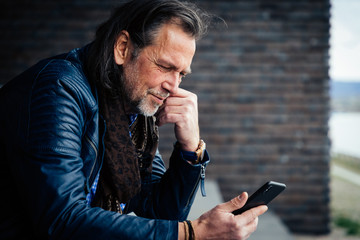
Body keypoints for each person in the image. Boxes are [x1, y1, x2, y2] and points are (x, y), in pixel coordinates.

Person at [0, 0, 267, 239]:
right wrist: (191, 233)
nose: (173, 86)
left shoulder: (133, 110)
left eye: (182, 74)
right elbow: (61, 219)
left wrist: (191, 150)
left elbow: (161, 210)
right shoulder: (59, 88)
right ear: (123, 48)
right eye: (165, 66)